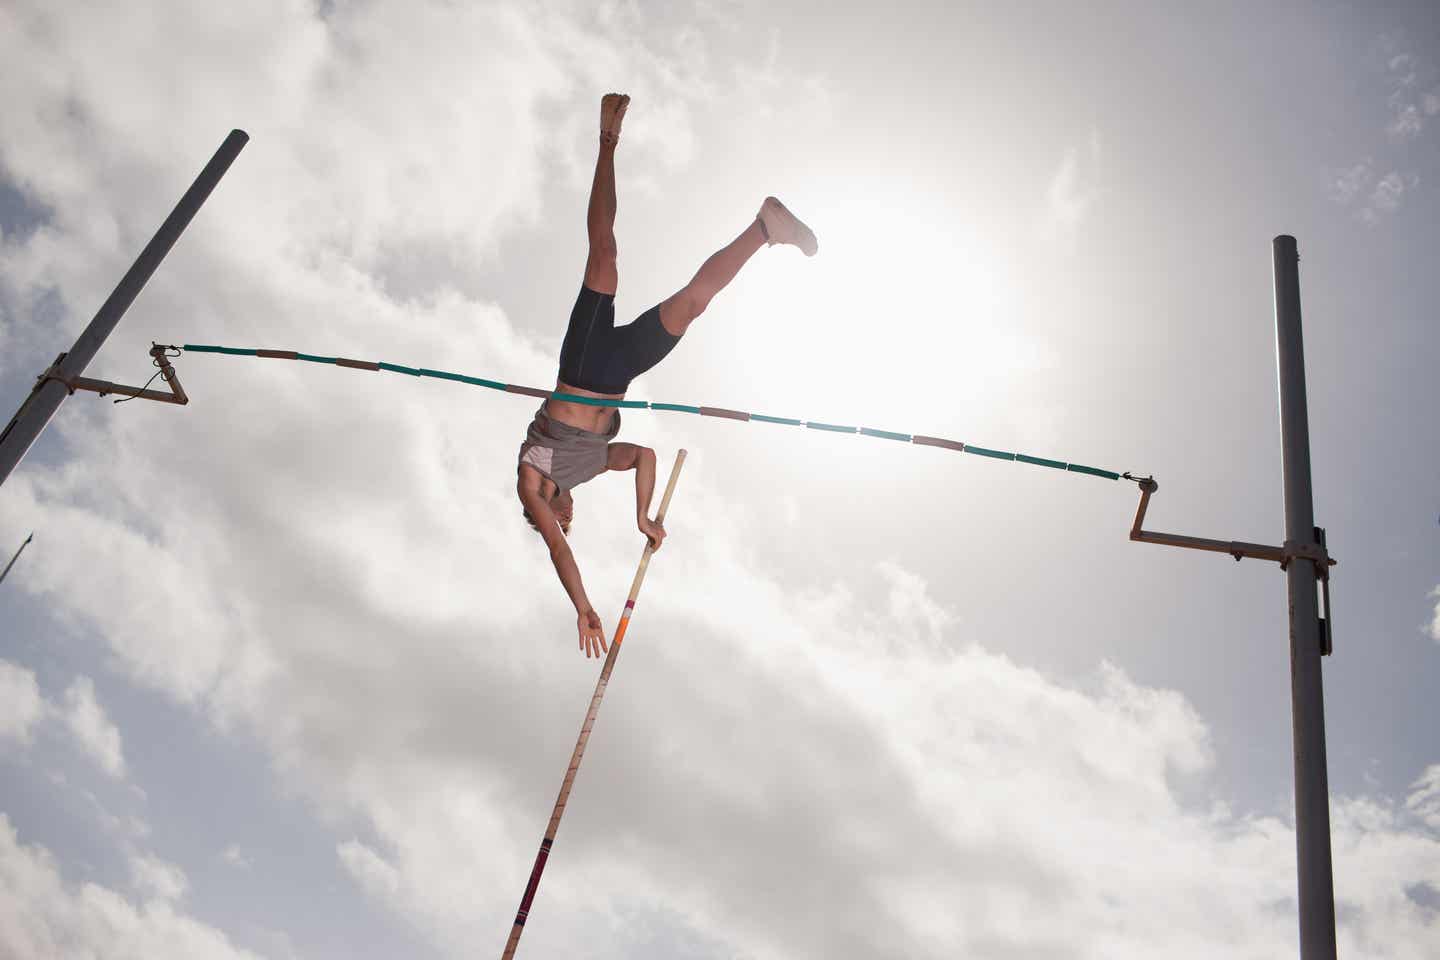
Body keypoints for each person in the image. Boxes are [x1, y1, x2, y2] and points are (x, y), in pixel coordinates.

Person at [516, 92, 818, 658]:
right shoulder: (588, 470)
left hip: (580, 367)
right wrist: (643, 516)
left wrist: (582, 608)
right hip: (617, 374)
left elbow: (559, 553)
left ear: (548, 518)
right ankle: (764, 228)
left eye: (563, 523)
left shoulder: (532, 485)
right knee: (691, 306)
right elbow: (644, 457)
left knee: (603, 255)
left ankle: (606, 143)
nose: (568, 522)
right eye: (569, 523)